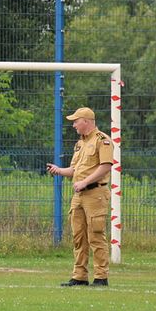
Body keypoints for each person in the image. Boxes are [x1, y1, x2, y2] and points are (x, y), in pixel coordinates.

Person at [47, 105, 115, 287]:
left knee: (96, 234)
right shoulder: (80, 143)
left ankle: (101, 276)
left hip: (95, 193)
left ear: (86, 121)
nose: (74, 125)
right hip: (79, 196)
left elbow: (106, 166)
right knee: (79, 236)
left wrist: (85, 182)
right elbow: (75, 169)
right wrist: (59, 170)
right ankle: (79, 276)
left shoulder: (103, 140)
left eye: (76, 121)